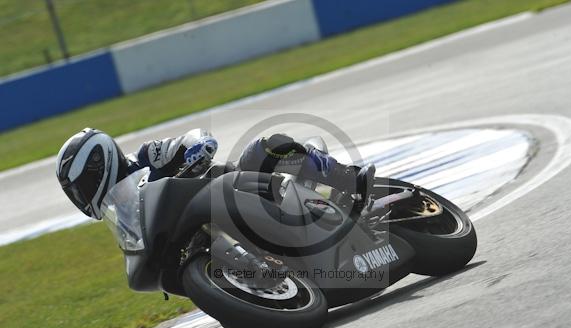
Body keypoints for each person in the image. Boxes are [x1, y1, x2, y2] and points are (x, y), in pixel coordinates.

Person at [56, 127, 373, 220]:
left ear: (97, 164)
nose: (82, 197)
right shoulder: (120, 214)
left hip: (236, 188)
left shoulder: (143, 157)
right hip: (208, 228)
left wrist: (195, 151)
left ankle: (350, 179)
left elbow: (197, 138)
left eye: (81, 188)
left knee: (265, 147)